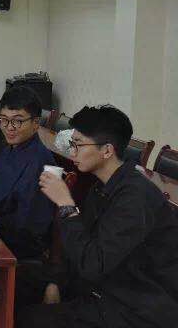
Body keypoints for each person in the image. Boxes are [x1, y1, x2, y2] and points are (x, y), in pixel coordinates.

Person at [19, 105, 178, 328]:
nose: (72, 152)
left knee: (29, 319)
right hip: (102, 286)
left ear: (107, 150)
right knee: (16, 280)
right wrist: (55, 282)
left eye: (78, 144)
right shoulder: (101, 186)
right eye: (72, 143)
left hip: (135, 306)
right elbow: (81, 245)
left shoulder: (134, 197)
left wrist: (66, 205)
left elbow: (94, 264)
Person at [0, 86, 55, 260]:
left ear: (36, 123)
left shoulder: (39, 162)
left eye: (17, 121)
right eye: (4, 120)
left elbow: (27, 225)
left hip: (12, 247)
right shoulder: (10, 148)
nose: (9, 127)